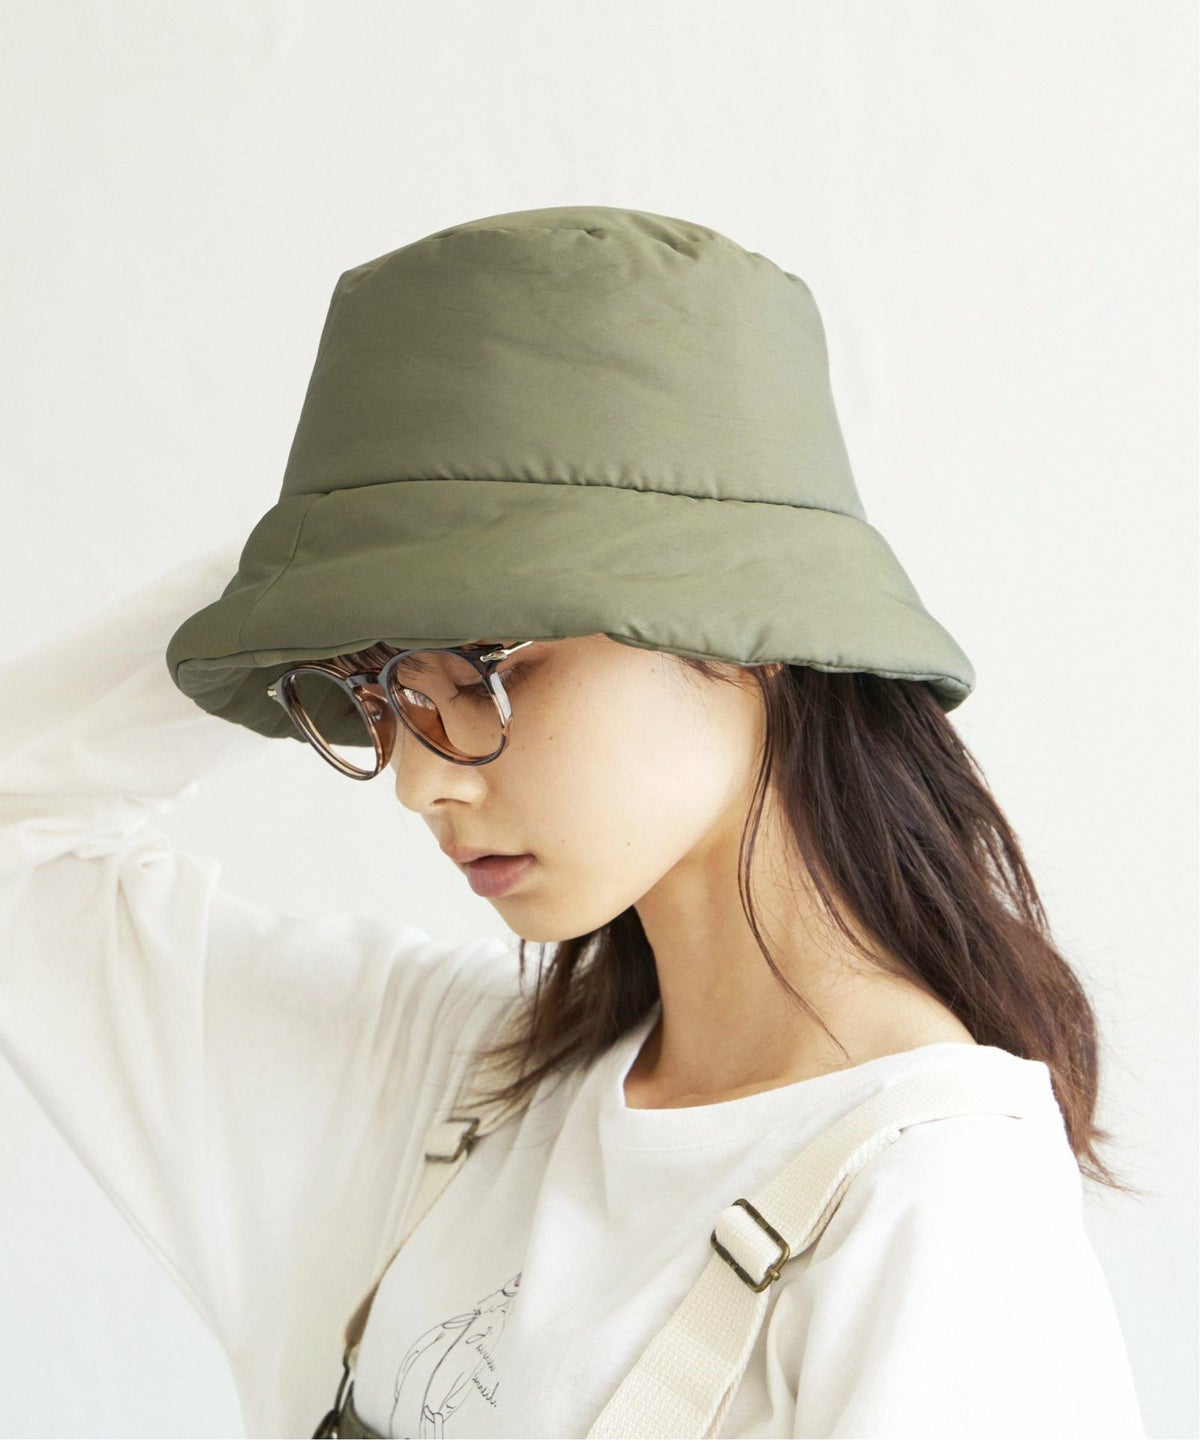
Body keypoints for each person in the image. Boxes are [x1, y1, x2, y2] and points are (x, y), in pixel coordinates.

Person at [0, 205, 1147, 1438]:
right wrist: (353, 522)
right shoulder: (452, 1081)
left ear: (746, 628)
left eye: (482, 669)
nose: (419, 783)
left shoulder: (934, 1203)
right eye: (381, 689)